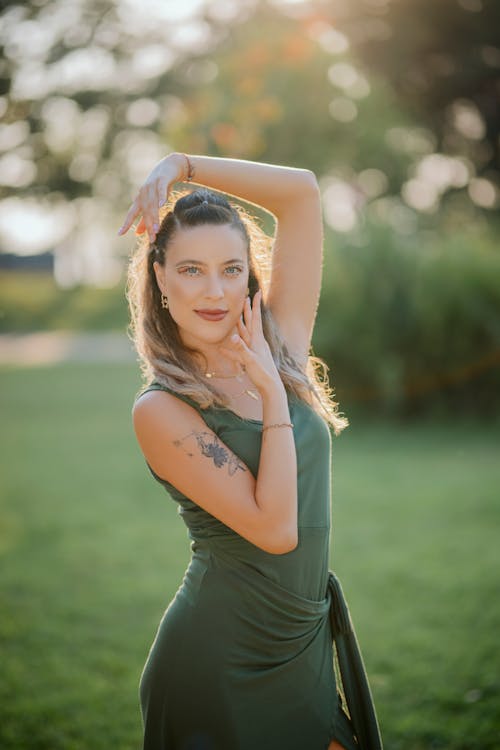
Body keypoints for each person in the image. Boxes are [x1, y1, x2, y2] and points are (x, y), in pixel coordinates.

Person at [119, 153, 382, 750]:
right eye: (190, 269)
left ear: (249, 277)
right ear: (159, 278)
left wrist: (182, 165)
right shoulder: (162, 409)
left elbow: (302, 193)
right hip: (217, 658)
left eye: (231, 269)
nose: (214, 292)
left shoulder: (280, 344)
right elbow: (275, 529)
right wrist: (270, 395)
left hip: (301, 638)